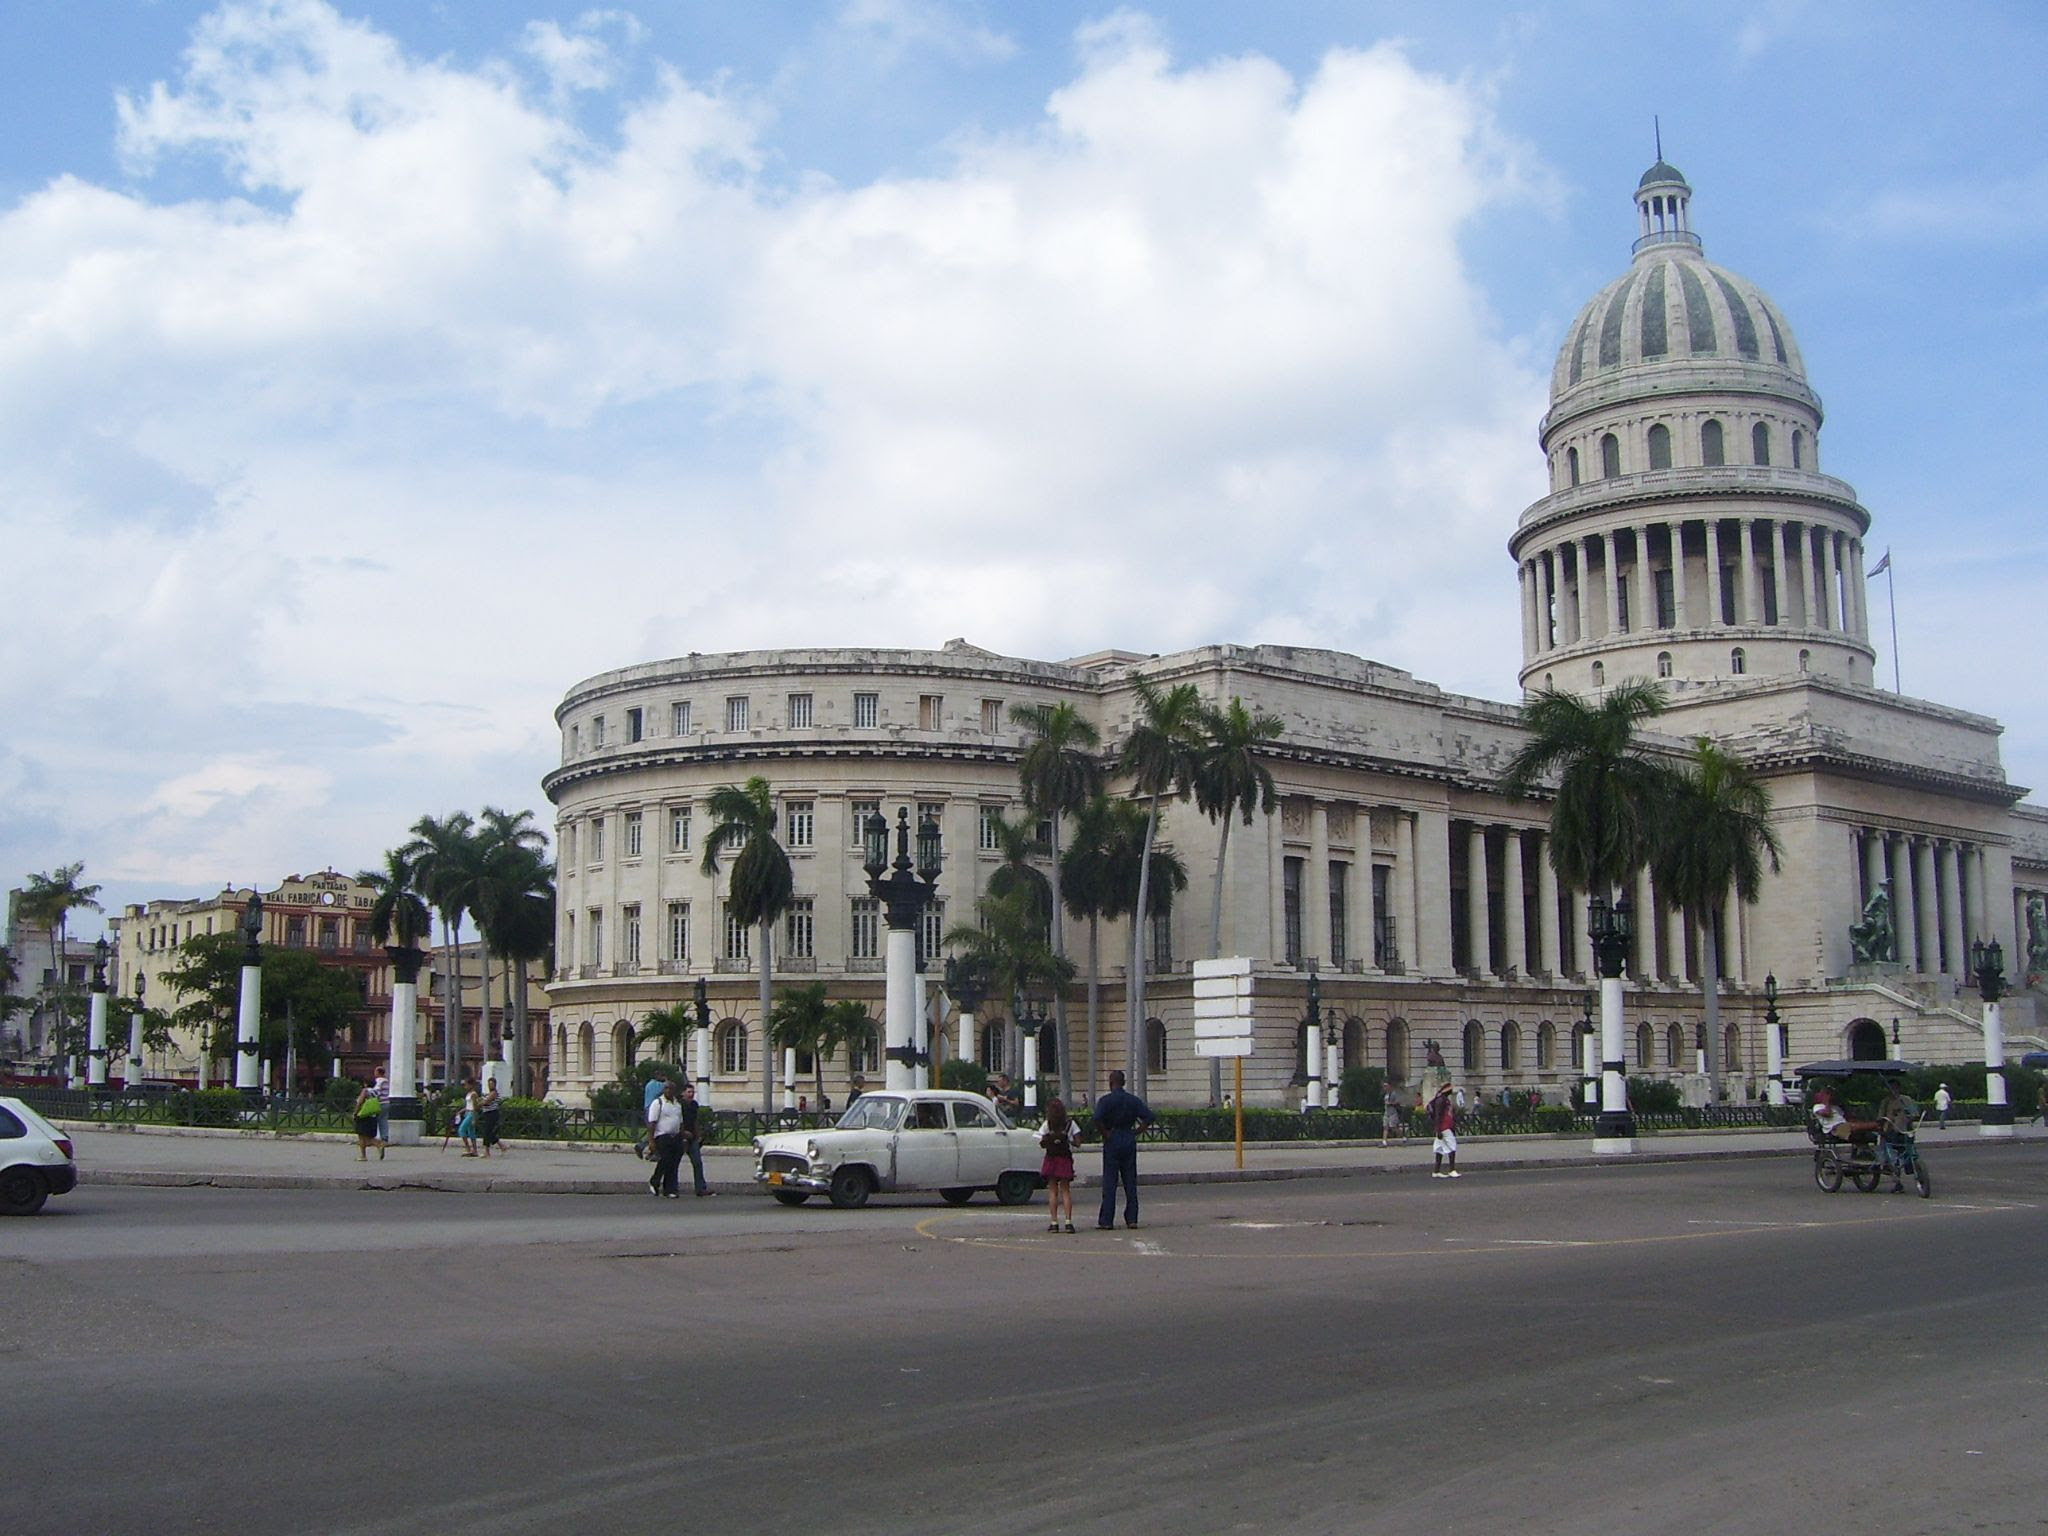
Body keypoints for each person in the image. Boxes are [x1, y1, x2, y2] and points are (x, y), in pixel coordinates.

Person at [1091, 1070, 1153, 1229]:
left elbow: (1096, 1118)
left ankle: (1106, 1220)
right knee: (1130, 1181)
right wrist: (1137, 1131)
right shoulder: (1132, 1100)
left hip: (1112, 1138)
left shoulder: (1105, 1100)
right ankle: (1132, 1218)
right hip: (1128, 1137)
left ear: (1111, 1083)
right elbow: (1149, 1117)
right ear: (1123, 1083)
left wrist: (1105, 1132)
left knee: (1110, 1182)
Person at [1038, 1097, 1078, 1233]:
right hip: (1064, 1159)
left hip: (1051, 1158)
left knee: (1053, 1191)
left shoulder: (1047, 1124)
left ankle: (1054, 1222)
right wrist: (1068, 1139)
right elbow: (1078, 1142)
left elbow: (1041, 1141)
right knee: (1065, 1191)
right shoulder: (1070, 1124)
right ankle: (1068, 1222)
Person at [647, 1080, 685, 1198]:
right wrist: (651, 1141)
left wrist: (683, 1138)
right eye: (666, 1088)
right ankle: (655, 1181)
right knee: (665, 1160)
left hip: (676, 1136)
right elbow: (652, 1123)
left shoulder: (677, 1104)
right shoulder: (658, 1103)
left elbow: (680, 1122)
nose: (668, 1091)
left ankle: (670, 1189)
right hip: (662, 1136)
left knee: (673, 1164)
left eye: (671, 1089)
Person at [679, 1081, 713, 1196]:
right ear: (683, 1093)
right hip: (679, 1137)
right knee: (672, 1163)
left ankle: (700, 1188)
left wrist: (698, 1135)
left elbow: (695, 1121)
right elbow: (677, 1121)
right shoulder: (679, 1105)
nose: (691, 1094)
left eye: (692, 1092)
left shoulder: (694, 1105)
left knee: (697, 1163)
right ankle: (668, 1186)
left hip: (692, 1138)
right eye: (688, 1092)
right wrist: (683, 1134)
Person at [1427, 1079, 1459, 1178]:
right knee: (1452, 1147)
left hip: (1444, 1127)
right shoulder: (1441, 1100)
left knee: (1439, 1149)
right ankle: (1452, 1169)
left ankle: (1436, 1171)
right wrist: (1438, 1130)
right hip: (1444, 1127)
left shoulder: (1443, 1099)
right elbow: (1438, 1115)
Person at [352, 1079, 383, 1161]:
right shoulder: (376, 1092)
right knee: (368, 1136)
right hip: (372, 1115)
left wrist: (355, 1112)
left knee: (361, 1136)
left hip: (363, 1115)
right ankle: (378, 1144)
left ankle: (363, 1155)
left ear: (365, 1084)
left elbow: (360, 1102)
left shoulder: (365, 1091)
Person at [477, 1077, 503, 1158]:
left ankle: (487, 1152)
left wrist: (479, 1103)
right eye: (489, 1084)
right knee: (489, 1133)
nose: (490, 1085)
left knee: (487, 1132)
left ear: (495, 1084)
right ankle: (502, 1146)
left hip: (492, 1114)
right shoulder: (488, 1093)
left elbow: (486, 1102)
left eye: (491, 1084)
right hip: (487, 1114)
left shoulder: (494, 1093)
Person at [457, 1077, 480, 1157]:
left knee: (462, 1130)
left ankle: (468, 1148)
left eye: (466, 1085)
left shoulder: (473, 1094)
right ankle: (474, 1150)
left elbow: (474, 1106)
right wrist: (461, 1111)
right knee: (471, 1132)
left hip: (471, 1113)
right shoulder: (468, 1094)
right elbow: (468, 1106)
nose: (465, 1086)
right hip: (467, 1112)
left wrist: (474, 1118)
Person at [370, 1070, 392, 1149]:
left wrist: (368, 1092)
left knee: (376, 1120)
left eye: (375, 1072)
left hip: (380, 1103)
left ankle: (376, 1138)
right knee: (384, 1120)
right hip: (386, 1102)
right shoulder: (387, 1081)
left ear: (378, 1073)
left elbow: (376, 1092)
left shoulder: (379, 1081)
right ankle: (385, 1138)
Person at [1381, 1082, 1404, 1147]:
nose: (1384, 1087)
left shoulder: (1393, 1094)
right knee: (1385, 1127)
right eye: (1384, 1086)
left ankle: (1402, 1137)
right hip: (1386, 1112)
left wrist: (1390, 1103)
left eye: (1386, 1086)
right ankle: (1384, 1142)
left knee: (1393, 1127)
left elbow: (1398, 1102)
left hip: (1392, 1113)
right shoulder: (1385, 1094)